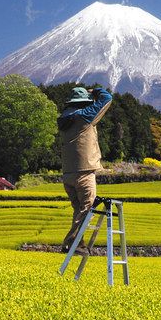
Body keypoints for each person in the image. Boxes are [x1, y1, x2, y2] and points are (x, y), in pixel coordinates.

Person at [57, 86, 112, 255]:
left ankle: (78, 245)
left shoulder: (64, 119)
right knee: (88, 209)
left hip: (68, 174)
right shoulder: (84, 116)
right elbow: (107, 99)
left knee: (79, 210)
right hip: (84, 171)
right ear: (83, 103)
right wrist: (96, 91)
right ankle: (71, 243)